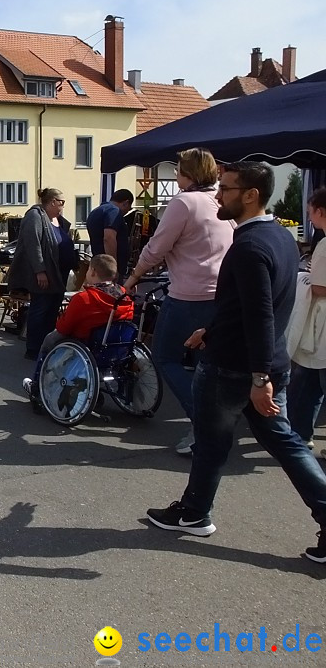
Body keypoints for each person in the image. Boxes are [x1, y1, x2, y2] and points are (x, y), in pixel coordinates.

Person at [146, 162, 326, 564]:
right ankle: (194, 511)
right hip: (259, 361)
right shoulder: (279, 236)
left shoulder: (249, 246)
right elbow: (245, 306)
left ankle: (194, 512)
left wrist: (259, 376)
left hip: (236, 367)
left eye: (226, 188)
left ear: (250, 194)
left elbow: (261, 312)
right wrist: (210, 329)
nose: (217, 195)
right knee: (281, 442)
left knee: (214, 443)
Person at [123, 148, 234, 455]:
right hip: (219, 294)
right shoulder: (220, 201)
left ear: (189, 174)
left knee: (165, 357)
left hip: (188, 295)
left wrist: (132, 278)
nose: (175, 175)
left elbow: (156, 247)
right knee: (204, 365)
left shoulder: (184, 202)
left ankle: (202, 423)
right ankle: (212, 424)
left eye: (179, 170)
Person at [21, 254, 133, 407]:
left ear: (92, 271)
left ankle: (37, 385)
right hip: (117, 348)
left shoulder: (84, 298)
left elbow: (64, 328)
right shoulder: (124, 297)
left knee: (49, 340)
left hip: (87, 344)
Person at [5, 188, 79, 359]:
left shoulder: (58, 220)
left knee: (52, 310)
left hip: (59, 273)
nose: (63, 206)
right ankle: (33, 348)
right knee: (40, 309)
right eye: (62, 202)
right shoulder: (35, 216)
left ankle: (47, 346)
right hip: (44, 274)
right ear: (52, 201)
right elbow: (34, 245)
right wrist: (40, 271)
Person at [286, 187, 326, 449]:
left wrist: (304, 279)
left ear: (320, 211)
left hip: (322, 323)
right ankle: (300, 433)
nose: (309, 218)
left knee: (315, 378)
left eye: (310, 212)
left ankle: (299, 435)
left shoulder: (324, 245)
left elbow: (321, 288)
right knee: (309, 381)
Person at [85, 189, 134, 280]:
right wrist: (113, 267)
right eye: (129, 208)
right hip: (108, 269)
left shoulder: (95, 211)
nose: (127, 211)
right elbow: (109, 238)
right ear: (126, 203)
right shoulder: (114, 211)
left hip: (98, 264)